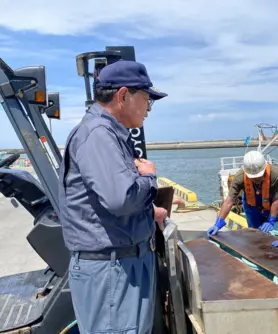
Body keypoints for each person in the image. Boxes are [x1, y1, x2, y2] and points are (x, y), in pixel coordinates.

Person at [58, 59, 168, 333]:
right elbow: (121, 198)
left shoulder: (107, 133)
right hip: (112, 271)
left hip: (120, 265)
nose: (148, 109)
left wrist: (147, 212)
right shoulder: (98, 134)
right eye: (147, 99)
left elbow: (103, 200)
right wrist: (149, 177)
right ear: (123, 96)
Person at [207, 150, 278, 236]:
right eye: (253, 177)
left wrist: (271, 220)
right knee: (255, 234)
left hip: (273, 200)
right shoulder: (239, 178)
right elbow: (228, 201)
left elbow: (276, 199)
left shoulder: (274, 174)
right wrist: (218, 222)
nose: (256, 179)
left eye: (259, 176)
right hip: (252, 205)